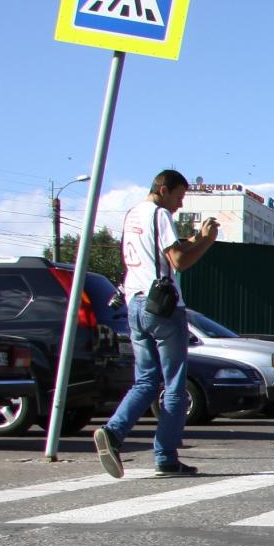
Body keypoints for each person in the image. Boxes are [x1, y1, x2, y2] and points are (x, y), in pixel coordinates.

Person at [94, 169, 220, 478]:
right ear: (163, 190)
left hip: (135, 304)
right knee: (175, 383)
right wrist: (207, 243)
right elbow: (178, 261)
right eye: (178, 197)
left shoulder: (133, 214)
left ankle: (112, 433)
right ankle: (165, 455)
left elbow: (164, 250)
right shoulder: (160, 213)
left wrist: (196, 238)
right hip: (164, 306)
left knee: (146, 381)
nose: (179, 205)